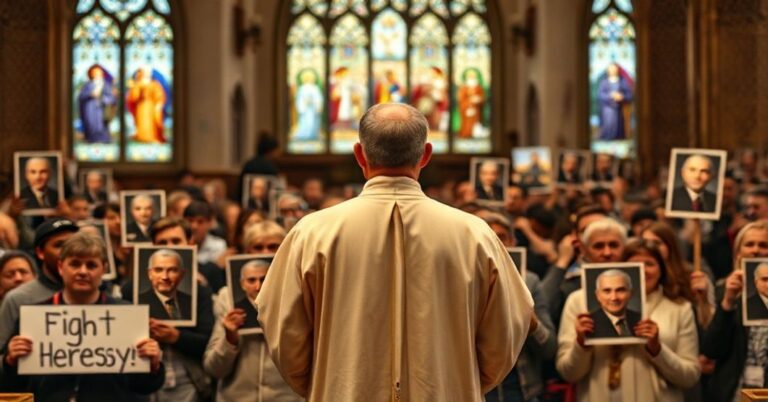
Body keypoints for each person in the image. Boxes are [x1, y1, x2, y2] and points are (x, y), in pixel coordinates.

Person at [256, 103, 533, 401]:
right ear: (426, 155)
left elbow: (284, 331)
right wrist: (458, 379)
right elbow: (507, 331)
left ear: (360, 155)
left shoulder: (311, 233)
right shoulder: (475, 235)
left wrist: (329, 382)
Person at [0, 232, 165, 400]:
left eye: (91, 265)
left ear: (104, 269)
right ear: (60, 267)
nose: (83, 272)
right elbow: (12, 386)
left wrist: (153, 366)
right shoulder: (33, 318)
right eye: (75, 264)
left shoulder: (128, 317)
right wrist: (10, 362)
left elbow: (144, 387)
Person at [557, 238, 700, 401]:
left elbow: (690, 377)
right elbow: (568, 373)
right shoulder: (581, 303)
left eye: (649, 264)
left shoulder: (680, 309)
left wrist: (657, 350)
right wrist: (581, 344)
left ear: (661, 269)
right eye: (635, 265)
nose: (643, 271)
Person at [476, 211, 557, 402]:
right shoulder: (463, 281)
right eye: (488, 236)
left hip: (522, 390)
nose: (496, 243)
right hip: (479, 390)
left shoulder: (530, 281)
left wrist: (533, 323)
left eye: (502, 237)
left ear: (512, 241)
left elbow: (549, 349)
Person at [204, 245, 300, 401]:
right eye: (258, 248)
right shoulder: (226, 299)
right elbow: (213, 369)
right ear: (242, 283)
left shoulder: (296, 295)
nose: (258, 286)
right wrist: (229, 339)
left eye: (273, 247)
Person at [701, 221, 768, 402]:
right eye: (749, 244)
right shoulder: (725, 288)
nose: (755, 250)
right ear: (738, 252)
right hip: (735, 390)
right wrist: (728, 302)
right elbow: (712, 349)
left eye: (763, 245)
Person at [0, 218, 79, 349]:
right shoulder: (17, 299)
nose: (68, 251)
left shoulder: (96, 294)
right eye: (59, 245)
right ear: (40, 252)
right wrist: (9, 358)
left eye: (74, 245)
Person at [139, 248, 193, 321]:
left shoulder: (192, 302)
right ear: (149, 274)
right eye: (158, 270)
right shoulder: (138, 303)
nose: (165, 277)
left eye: (172, 270)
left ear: (182, 274)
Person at [589, 269, 641, 338]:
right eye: (607, 291)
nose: (614, 298)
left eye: (620, 290)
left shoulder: (640, 319)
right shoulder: (589, 323)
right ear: (598, 295)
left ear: (630, 293)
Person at [126, 66, 167, 143]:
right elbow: (134, 96)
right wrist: (135, 89)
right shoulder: (138, 83)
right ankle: (142, 137)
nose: (147, 74)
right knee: (142, 122)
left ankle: (153, 137)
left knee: (152, 123)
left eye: (149, 73)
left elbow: (159, 95)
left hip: (151, 106)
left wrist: (159, 103)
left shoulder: (155, 84)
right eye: (146, 72)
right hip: (141, 107)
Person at [77, 64, 117, 143]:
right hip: (90, 110)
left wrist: (103, 99)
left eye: (99, 72)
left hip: (102, 110)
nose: (97, 74)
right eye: (94, 72)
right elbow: (81, 97)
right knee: (91, 126)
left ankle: (103, 140)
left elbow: (111, 98)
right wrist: (90, 94)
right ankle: (91, 139)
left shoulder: (106, 85)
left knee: (102, 127)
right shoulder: (88, 85)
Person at [597, 62, 633, 140]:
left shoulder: (622, 82)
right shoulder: (604, 82)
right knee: (607, 130)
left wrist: (621, 97)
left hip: (618, 111)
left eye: (614, 69)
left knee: (618, 131)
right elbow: (600, 95)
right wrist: (611, 96)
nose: (613, 71)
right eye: (611, 69)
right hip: (607, 111)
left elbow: (629, 96)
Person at [184, 201, 227, 266]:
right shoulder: (179, 243)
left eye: (200, 222)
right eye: (190, 221)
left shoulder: (218, 245)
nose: (194, 226)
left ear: (210, 223)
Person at [293, 69, 323, 140]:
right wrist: (303, 104)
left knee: (313, 122)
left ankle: (312, 135)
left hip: (313, 108)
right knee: (305, 121)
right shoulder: (302, 88)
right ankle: (304, 135)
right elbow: (299, 99)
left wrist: (317, 105)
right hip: (305, 109)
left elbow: (318, 98)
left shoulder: (315, 88)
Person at [457, 68, 486, 138]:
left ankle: (475, 134)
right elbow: (461, 99)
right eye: (470, 77)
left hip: (476, 109)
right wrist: (469, 102)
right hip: (466, 109)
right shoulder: (463, 88)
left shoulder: (479, 88)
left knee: (476, 125)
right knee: (466, 124)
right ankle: (466, 134)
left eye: (473, 77)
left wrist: (478, 100)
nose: (471, 79)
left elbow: (482, 98)